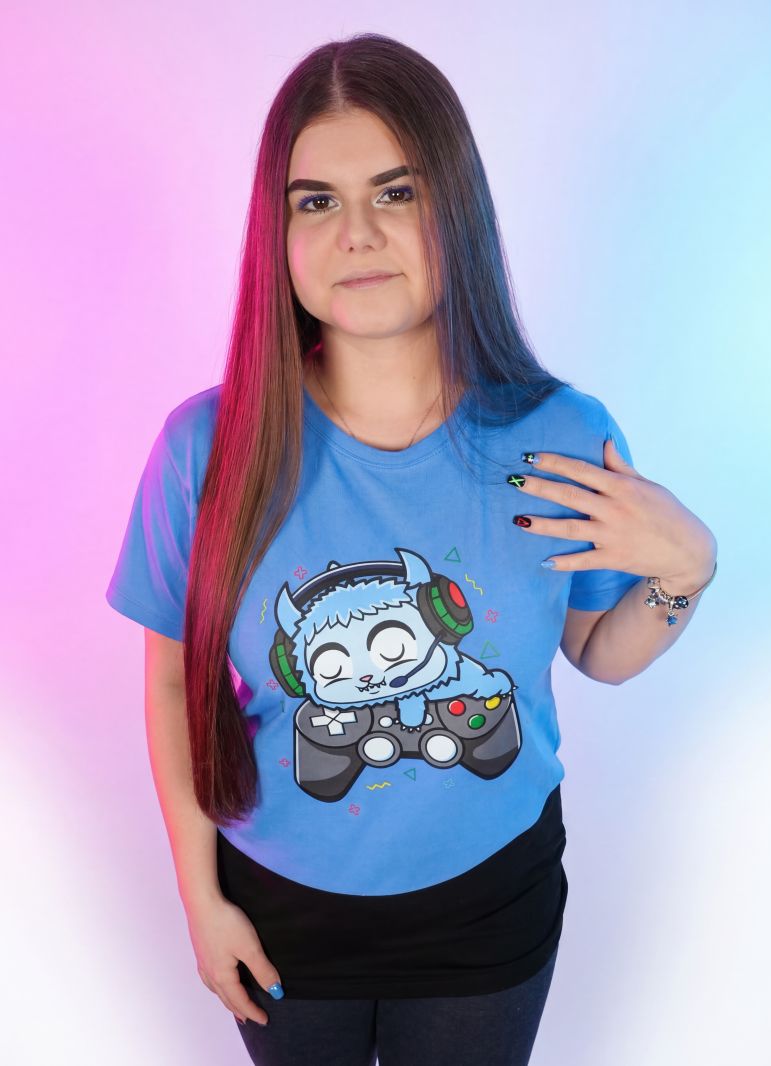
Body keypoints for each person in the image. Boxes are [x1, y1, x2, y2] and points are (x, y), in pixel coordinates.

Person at [105, 32, 717, 1066]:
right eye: (315, 201)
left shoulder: (560, 434)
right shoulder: (205, 449)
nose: (357, 234)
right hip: (279, 909)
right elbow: (173, 681)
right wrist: (199, 898)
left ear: (455, 208)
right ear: (277, 232)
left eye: (396, 191)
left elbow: (596, 652)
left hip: (491, 903)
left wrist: (682, 572)